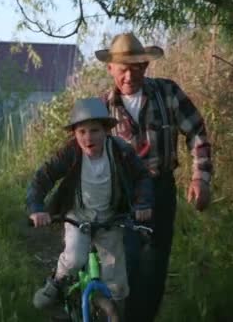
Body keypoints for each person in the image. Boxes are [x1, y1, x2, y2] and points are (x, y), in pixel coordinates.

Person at [95, 32, 213, 321]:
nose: (129, 75)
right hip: (122, 197)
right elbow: (87, 155)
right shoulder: (102, 108)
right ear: (110, 68)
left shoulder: (167, 93)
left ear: (146, 66)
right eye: (122, 68)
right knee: (127, 263)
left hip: (160, 190)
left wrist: (201, 177)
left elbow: (197, 130)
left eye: (137, 67)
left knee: (155, 267)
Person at [26, 98, 154, 318]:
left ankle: (114, 312)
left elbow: (142, 176)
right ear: (74, 134)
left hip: (110, 217)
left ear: (106, 130)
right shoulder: (71, 152)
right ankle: (56, 284)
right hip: (79, 216)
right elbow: (43, 178)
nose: (88, 138)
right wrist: (37, 208)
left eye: (94, 131)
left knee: (117, 282)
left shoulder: (120, 151)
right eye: (82, 131)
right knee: (75, 258)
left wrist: (143, 204)